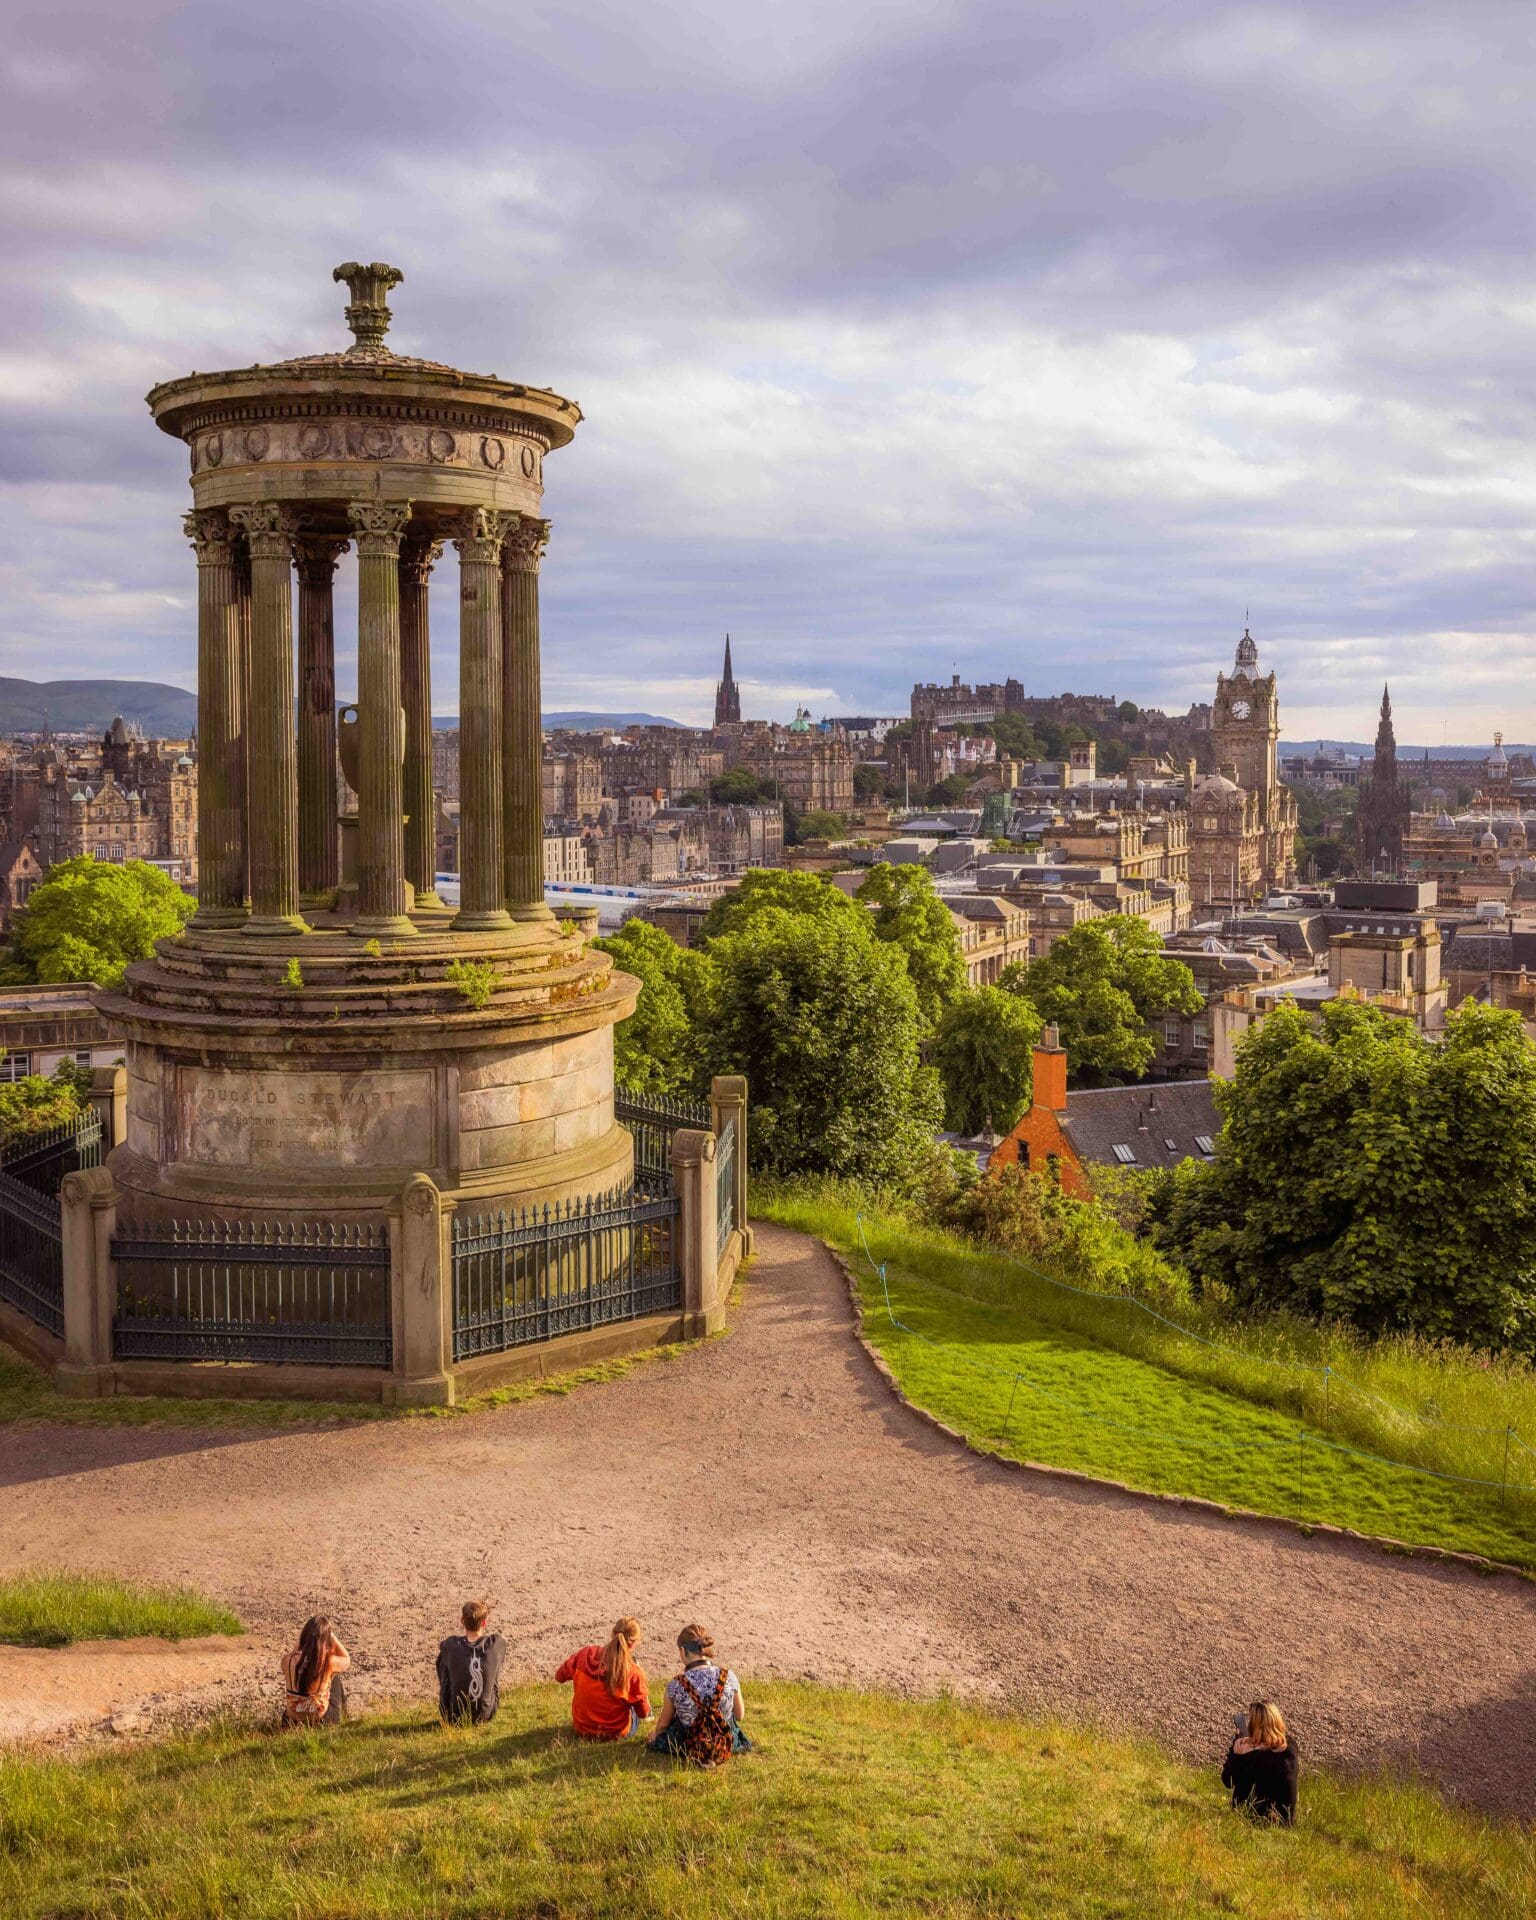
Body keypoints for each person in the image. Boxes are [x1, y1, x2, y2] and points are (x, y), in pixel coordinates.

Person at [647, 1623, 751, 1764]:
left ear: (682, 1651)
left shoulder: (676, 1684)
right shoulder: (728, 1676)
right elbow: (739, 1715)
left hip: (689, 1744)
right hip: (724, 1740)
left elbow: (663, 1724)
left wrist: (657, 1737)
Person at [555, 1617, 653, 1739]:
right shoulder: (632, 1671)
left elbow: (559, 1676)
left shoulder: (585, 1654)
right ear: (633, 1643)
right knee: (639, 1697)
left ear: (612, 1632)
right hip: (615, 1733)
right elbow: (642, 1713)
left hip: (582, 1728)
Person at [1222, 1701, 1299, 1824]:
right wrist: (1252, 1746)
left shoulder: (1250, 1756)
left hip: (1255, 1819)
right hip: (1286, 1821)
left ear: (1253, 1726)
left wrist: (1236, 1753)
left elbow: (1228, 1781)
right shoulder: (1291, 1747)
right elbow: (1267, 1750)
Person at [437, 1599, 506, 1725]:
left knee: (443, 1659)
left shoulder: (452, 1644)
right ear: (484, 1623)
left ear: (462, 1621)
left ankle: (451, 1701)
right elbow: (503, 1641)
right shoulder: (494, 1644)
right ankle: (482, 1699)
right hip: (486, 1713)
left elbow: (441, 1646)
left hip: (452, 1715)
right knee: (494, 1661)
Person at [281, 1615, 351, 1727]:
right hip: (321, 1720)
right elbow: (347, 1659)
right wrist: (332, 1636)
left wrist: (302, 1641)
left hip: (291, 1722)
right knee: (335, 1679)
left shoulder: (287, 1661)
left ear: (303, 1637)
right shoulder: (329, 1663)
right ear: (326, 1640)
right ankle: (345, 1718)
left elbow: (296, 1654)